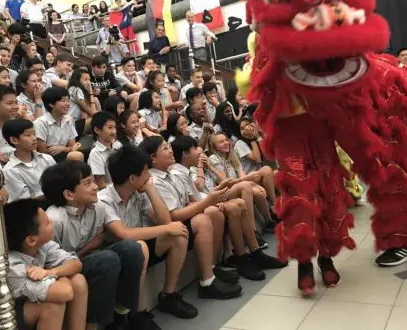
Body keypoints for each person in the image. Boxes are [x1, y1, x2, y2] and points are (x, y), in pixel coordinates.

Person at [42, 161, 159, 330]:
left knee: (133, 249)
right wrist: (89, 247)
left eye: (93, 181)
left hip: (92, 259)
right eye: (88, 183)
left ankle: (122, 313)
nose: (96, 187)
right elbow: (51, 263)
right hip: (65, 272)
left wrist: (94, 245)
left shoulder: (98, 207)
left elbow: (112, 236)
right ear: (69, 194)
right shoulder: (54, 219)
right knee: (106, 259)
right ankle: (95, 324)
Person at [99, 144, 199, 319]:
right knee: (139, 247)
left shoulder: (139, 192)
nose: (149, 174)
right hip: (118, 255)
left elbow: (164, 220)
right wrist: (167, 227)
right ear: (132, 178)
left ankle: (168, 295)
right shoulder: (104, 199)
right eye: (146, 171)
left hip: (140, 246)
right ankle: (138, 313)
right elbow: (124, 234)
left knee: (178, 235)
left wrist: (151, 190)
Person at [140, 136, 243, 297]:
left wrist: (211, 198)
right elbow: (173, 216)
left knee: (213, 213)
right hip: (160, 231)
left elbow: (189, 201)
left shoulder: (171, 174)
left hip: (176, 222)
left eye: (169, 146)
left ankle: (211, 269)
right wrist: (209, 201)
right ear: (153, 158)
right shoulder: (155, 181)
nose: (171, 150)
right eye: (165, 148)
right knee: (203, 218)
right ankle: (206, 282)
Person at [171, 136, 286, 279]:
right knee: (235, 203)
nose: (200, 154)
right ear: (185, 154)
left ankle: (255, 253)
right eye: (195, 149)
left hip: (207, 199)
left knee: (240, 203)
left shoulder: (185, 171)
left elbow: (196, 195)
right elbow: (194, 196)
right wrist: (210, 198)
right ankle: (242, 257)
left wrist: (215, 193)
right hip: (199, 209)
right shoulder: (179, 173)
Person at [4, 199, 88, 330]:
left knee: (78, 280)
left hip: (24, 303)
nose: (52, 222)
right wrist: (61, 274)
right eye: (47, 222)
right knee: (53, 305)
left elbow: (76, 263)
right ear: (31, 240)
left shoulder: (42, 245)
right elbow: (65, 292)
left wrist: (50, 272)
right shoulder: (12, 266)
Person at [208, 132, 276, 231]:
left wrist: (255, 185)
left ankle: (271, 216)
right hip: (226, 192)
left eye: (226, 140)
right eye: (221, 142)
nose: (226, 143)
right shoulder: (213, 159)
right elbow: (226, 183)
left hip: (240, 184)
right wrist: (249, 181)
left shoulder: (232, 154)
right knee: (247, 186)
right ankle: (253, 230)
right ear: (215, 147)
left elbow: (243, 176)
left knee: (265, 170)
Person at [2, 118, 55, 202]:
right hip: (34, 210)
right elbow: (24, 202)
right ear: (14, 140)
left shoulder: (47, 158)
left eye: (34, 134)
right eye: (28, 135)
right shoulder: (10, 170)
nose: (34, 138)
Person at [34, 87, 82, 161]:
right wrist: (69, 149)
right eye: (63, 101)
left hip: (65, 155)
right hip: (48, 160)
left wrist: (63, 149)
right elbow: (42, 153)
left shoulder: (68, 120)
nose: (68, 104)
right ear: (51, 104)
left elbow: (73, 146)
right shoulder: (40, 123)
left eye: (68, 101)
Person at [88, 111, 121, 189]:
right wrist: (121, 188)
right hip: (107, 194)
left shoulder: (118, 145)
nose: (114, 131)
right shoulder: (95, 154)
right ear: (97, 130)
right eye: (110, 128)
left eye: (114, 127)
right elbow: (101, 184)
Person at [68, 68, 100, 136]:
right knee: (100, 119)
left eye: (89, 80)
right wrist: (91, 92)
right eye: (85, 80)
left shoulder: (74, 89)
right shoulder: (76, 90)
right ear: (77, 80)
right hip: (71, 125)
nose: (89, 82)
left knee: (95, 99)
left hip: (76, 122)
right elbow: (92, 113)